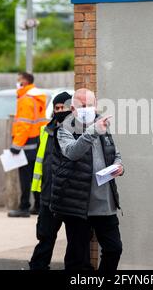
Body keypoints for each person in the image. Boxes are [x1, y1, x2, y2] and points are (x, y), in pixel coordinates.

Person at [50, 88, 124, 272]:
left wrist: (119, 166)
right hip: (77, 204)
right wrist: (93, 131)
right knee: (77, 257)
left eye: (90, 105)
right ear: (73, 109)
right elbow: (73, 153)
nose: (87, 109)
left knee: (114, 249)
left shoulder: (102, 125)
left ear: (96, 105)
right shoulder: (64, 129)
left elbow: (114, 153)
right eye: (82, 106)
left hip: (105, 203)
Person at [29, 91, 72, 270]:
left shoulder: (79, 130)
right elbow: (40, 163)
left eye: (64, 107)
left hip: (70, 196)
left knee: (77, 241)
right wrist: (37, 193)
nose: (60, 111)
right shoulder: (45, 130)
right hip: (48, 194)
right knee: (45, 237)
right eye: (57, 108)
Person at [8, 72, 47, 217]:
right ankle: (38, 205)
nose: (17, 83)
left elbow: (24, 125)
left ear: (24, 81)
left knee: (25, 178)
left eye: (18, 80)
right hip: (37, 142)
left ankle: (24, 207)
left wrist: (16, 146)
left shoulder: (26, 100)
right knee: (36, 176)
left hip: (26, 144)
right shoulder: (38, 98)